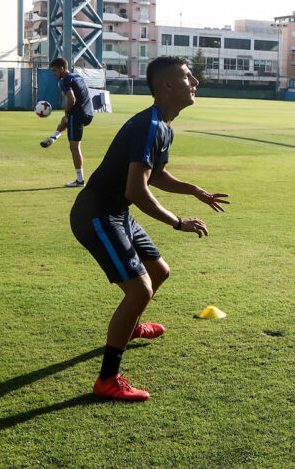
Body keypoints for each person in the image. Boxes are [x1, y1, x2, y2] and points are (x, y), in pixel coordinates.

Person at [71, 55, 230, 401]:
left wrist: (195, 191)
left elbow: (154, 175)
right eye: (188, 77)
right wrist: (177, 222)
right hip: (96, 215)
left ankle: (129, 328)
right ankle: (107, 380)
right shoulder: (149, 125)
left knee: (159, 271)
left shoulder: (162, 124)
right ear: (167, 86)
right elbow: (136, 190)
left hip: (116, 212)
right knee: (140, 290)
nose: (195, 82)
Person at [41, 57, 95, 187]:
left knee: (74, 147)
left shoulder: (64, 80)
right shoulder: (78, 77)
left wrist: (67, 112)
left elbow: (71, 99)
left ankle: (80, 180)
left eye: (54, 70)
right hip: (89, 113)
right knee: (65, 122)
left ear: (62, 68)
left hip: (78, 114)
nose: (54, 73)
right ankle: (54, 137)